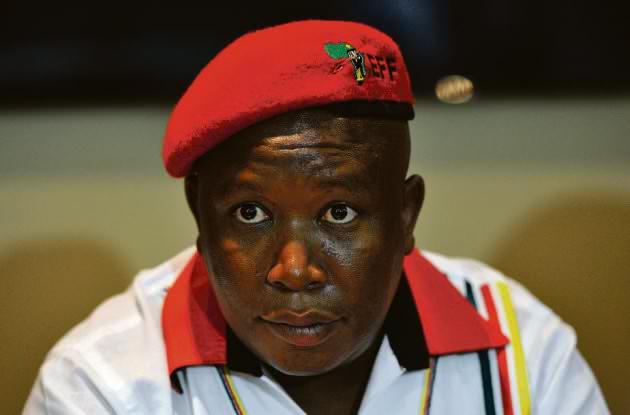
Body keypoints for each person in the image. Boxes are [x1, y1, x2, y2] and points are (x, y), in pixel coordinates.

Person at [23, 20, 609, 414]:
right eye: (251, 213)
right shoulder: (102, 386)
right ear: (200, 216)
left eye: (340, 212)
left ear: (406, 216)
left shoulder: (524, 354)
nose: (295, 270)